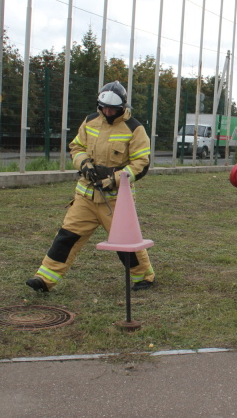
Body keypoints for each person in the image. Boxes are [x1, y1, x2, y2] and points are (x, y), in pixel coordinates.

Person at [26, 81, 155, 293]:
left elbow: (141, 163)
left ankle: (144, 277)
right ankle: (44, 278)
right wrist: (83, 163)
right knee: (66, 237)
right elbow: (77, 146)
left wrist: (115, 179)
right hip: (85, 197)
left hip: (116, 200)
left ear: (123, 107)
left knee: (125, 243)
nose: (107, 111)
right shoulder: (90, 121)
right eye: (104, 107)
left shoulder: (135, 128)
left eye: (113, 109)